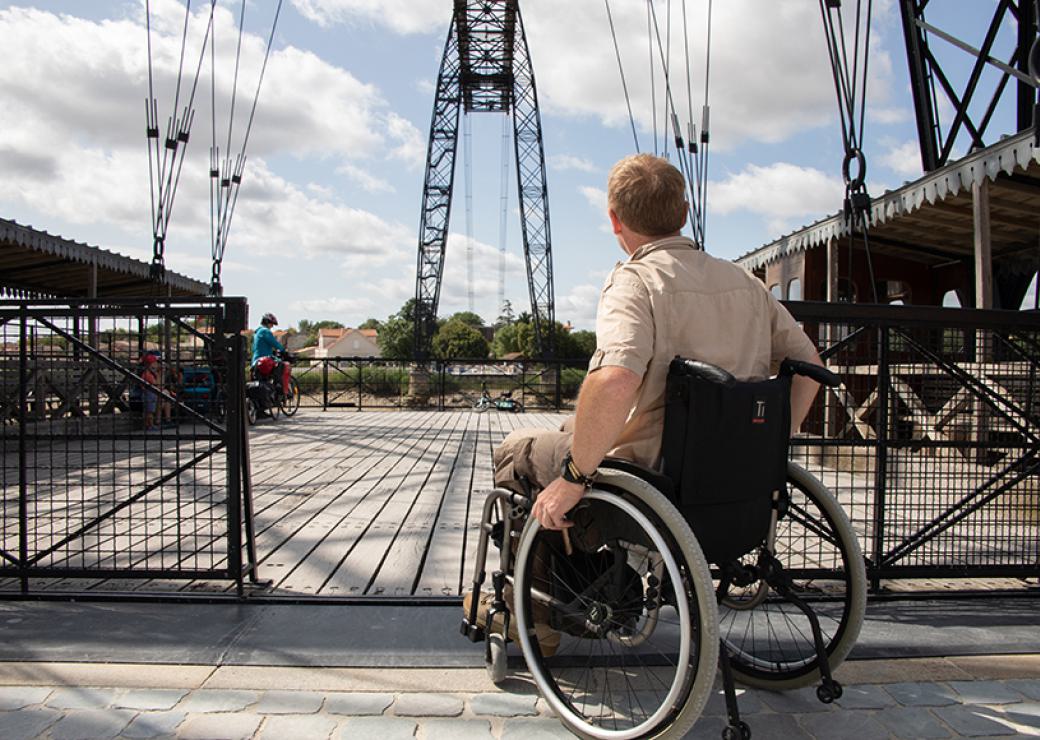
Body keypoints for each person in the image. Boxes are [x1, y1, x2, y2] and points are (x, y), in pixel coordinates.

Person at [470, 153, 825, 635]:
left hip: (651, 482)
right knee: (563, 434)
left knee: (519, 453)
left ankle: (536, 619)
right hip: (737, 481)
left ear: (615, 220)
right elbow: (810, 369)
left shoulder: (635, 282)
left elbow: (616, 379)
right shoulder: (747, 283)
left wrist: (575, 477)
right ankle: (581, 592)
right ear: (683, 213)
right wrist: (767, 449)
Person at [252, 312, 290, 396]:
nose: (272, 326)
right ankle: (279, 387)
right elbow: (274, 343)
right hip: (263, 361)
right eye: (271, 324)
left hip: (255, 361)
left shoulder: (257, 332)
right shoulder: (265, 331)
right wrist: (283, 350)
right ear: (267, 323)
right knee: (281, 365)